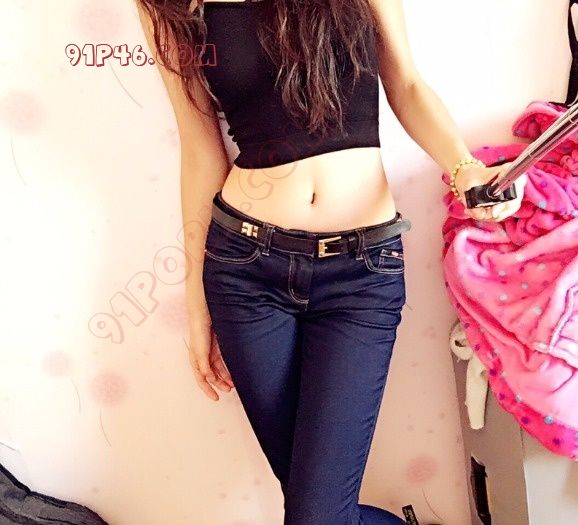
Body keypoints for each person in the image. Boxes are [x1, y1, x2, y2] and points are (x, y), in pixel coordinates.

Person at [135, 1, 524, 523]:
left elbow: (407, 84)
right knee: (316, 510)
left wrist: (463, 167)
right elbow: (200, 148)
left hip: (361, 276)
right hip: (246, 272)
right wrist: (196, 301)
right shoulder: (167, 5)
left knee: (315, 514)